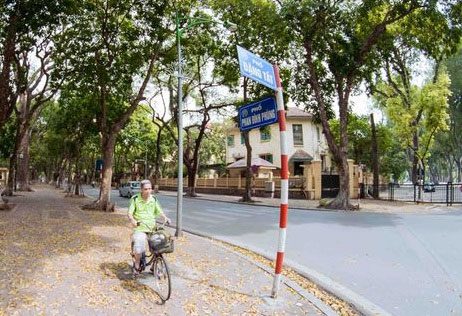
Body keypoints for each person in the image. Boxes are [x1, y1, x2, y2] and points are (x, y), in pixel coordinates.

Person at [128, 179, 170, 276]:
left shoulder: (153, 199)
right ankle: (137, 265)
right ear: (141, 190)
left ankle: (154, 265)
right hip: (140, 228)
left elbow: (159, 211)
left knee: (159, 244)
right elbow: (130, 213)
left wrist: (165, 217)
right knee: (139, 246)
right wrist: (133, 221)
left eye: (150, 189)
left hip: (152, 228)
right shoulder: (135, 199)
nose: (148, 191)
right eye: (146, 189)